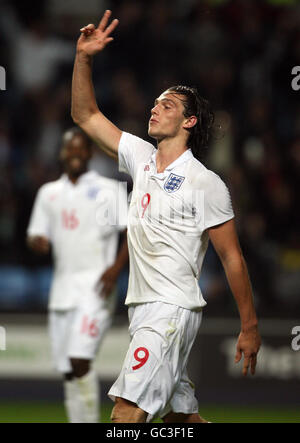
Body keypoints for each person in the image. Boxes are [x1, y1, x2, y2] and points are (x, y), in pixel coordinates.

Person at [71, 10, 262, 423]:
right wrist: (84, 58)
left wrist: (249, 326)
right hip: (143, 307)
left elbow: (232, 257)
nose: (155, 109)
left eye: (168, 105)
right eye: (155, 102)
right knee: (182, 422)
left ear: (189, 121)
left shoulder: (204, 182)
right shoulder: (140, 156)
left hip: (169, 310)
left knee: (125, 416)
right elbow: (86, 116)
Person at [27, 126, 128, 423]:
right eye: (69, 147)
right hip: (61, 292)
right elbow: (36, 235)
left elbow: (131, 233)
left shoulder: (109, 189)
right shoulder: (49, 193)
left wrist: (115, 269)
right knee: (69, 371)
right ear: (62, 153)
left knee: (79, 359)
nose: (74, 153)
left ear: (90, 152)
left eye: (80, 147)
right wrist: (37, 242)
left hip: (97, 289)